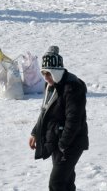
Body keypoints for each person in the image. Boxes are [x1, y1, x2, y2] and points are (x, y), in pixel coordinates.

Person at [29, 46, 88, 191]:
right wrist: (35, 132)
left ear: (56, 71)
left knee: (56, 184)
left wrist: (63, 145)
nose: (45, 77)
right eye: (43, 73)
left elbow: (73, 121)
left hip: (71, 143)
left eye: (48, 73)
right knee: (66, 183)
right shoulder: (50, 85)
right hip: (57, 139)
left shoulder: (73, 87)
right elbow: (45, 111)